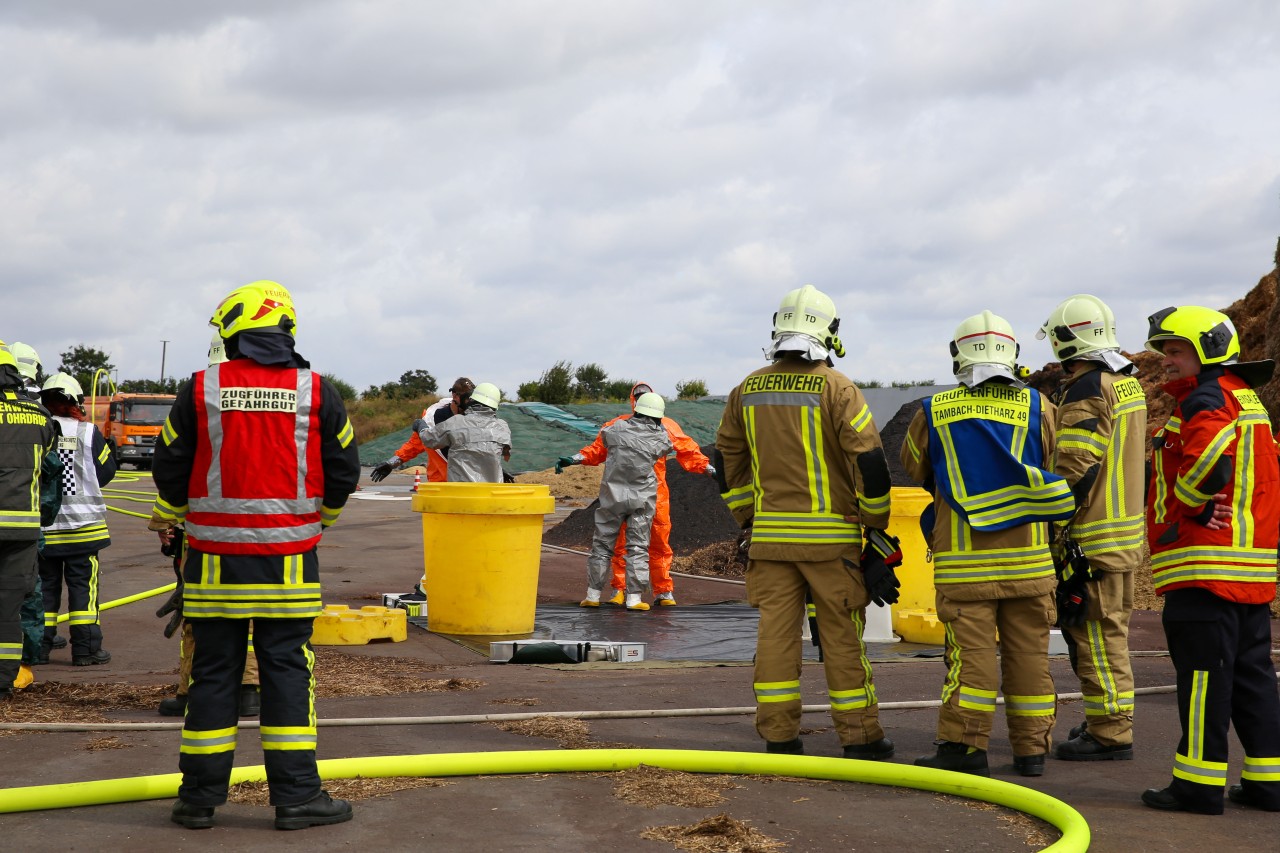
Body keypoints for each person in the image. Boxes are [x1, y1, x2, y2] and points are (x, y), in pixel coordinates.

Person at [148, 281, 361, 830]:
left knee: (214, 674)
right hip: (289, 564)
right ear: (285, 329)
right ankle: (297, 798)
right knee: (287, 672)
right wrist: (317, 526)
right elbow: (344, 471)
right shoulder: (317, 390)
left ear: (236, 331)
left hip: (214, 563)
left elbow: (169, 467)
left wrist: (172, 517)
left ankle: (197, 800)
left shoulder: (201, 388)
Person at [715, 285, 896, 759]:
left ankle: (778, 734)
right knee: (840, 639)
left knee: (775, 636)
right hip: (831, 544)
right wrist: (875, 524)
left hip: (770, 543)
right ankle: (859, 738)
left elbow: (726, 457)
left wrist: (746, 515)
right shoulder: (838, 388)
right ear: (829, 332)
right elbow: (871, 462)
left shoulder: (746, 389)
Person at [901, 310, 1076, 777]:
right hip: (1030, 564)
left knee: (971, 664)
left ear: (958, 356)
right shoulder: (1040, 406)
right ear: (1013, 355)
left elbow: (915, 466)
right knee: (1030, 660)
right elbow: (1056, 464)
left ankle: (964, 747)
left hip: (966, 568)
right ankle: (1031, 751)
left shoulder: (935, 410)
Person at [1139, 306, 1280, 815]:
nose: (1167, 362)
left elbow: (1207, 464)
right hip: (1249, 570)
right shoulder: (1246, 397)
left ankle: (1197, 787)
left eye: (1175, 351)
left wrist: (1191, 501)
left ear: (1205, 351)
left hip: (1206, 569)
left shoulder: (1207, 397)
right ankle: (1270, 784)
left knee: (1203, 680)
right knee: (1252, 678)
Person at [1036, 296, 1146, 762]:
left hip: (1093, 539)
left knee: (1099, 638)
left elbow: (1075, 469)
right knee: (1110, 632)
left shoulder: (1086, 390)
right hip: (1123, 534)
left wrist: (1050, 521)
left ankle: (1110, 732)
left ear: (1066, 341)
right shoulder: (1127, 385)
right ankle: (1108, 718)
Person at [155, 332, 261, 719]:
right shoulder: (269, 409)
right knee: (250, 614)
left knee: (198, 617)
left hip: (206, 534)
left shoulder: (199, 402)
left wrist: (165, 524)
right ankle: (248, 691)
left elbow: (173, 466)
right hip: (265, 534)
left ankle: (193, 692)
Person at [569, 382, 712, 607]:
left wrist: (704, 465)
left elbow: (687, 450)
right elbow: (598, 450)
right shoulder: (626, 425)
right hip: (643, 493)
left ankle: (661, 590)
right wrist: (578, 457)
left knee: (656, 543)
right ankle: (621, 590)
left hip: (651, 494)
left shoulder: (627, 426)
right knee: (626, 544)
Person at [559, 392, 674, 611]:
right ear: (658, 416)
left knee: (602, 546)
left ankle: (592, 595)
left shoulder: (616, 428)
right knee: (638, 548)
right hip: (642, 500)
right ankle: (634, 599)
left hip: (613, 498)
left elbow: (602, 440)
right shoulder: (659, 437)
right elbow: (668, 446)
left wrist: (575, 459)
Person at [38, 372, 118, 666]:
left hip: (47, 529)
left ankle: (41, 649)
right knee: (83, 590)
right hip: (84, 530)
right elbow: (107, 472)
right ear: (75, 402)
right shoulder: (88, 432)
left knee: (45, 589)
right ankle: (85, 651)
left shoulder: (39, 430)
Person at [0, 341, 58, 697]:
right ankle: (4, 680)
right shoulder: (40, 416)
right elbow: (47, 467)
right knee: (9, 607)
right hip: (23, 526)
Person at [369, 377, 475, 484]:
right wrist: (391, 463)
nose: (470, 402)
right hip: (440, 485)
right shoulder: (431, 420)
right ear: (455, 396)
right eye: (468, 398)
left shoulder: (475, 419)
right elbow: (414, 445)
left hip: (468, 484)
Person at [414, 382, 510, 483]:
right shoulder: (503, 427)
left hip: (461, 492)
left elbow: (429, 439)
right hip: (490, 493)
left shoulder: (455, 422)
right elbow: (500, 452)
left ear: (471, 400)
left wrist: (421, 426)